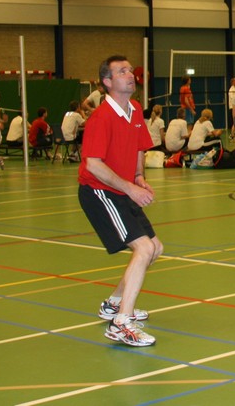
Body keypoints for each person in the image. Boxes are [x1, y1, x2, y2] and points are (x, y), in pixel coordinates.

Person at [77, 55, 162, 347]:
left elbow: (139, 147)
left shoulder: (134, 109)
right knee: (144, 248)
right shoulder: (101, 118)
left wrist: (138, 177)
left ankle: (114, 304)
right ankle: (121, 324)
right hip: (99, 191)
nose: (130, 75)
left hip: (123, 189)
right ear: (107, 82)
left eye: (130, 70)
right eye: (122, 71)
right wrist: (130, 188)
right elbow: (93, 164)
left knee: (155, 248)